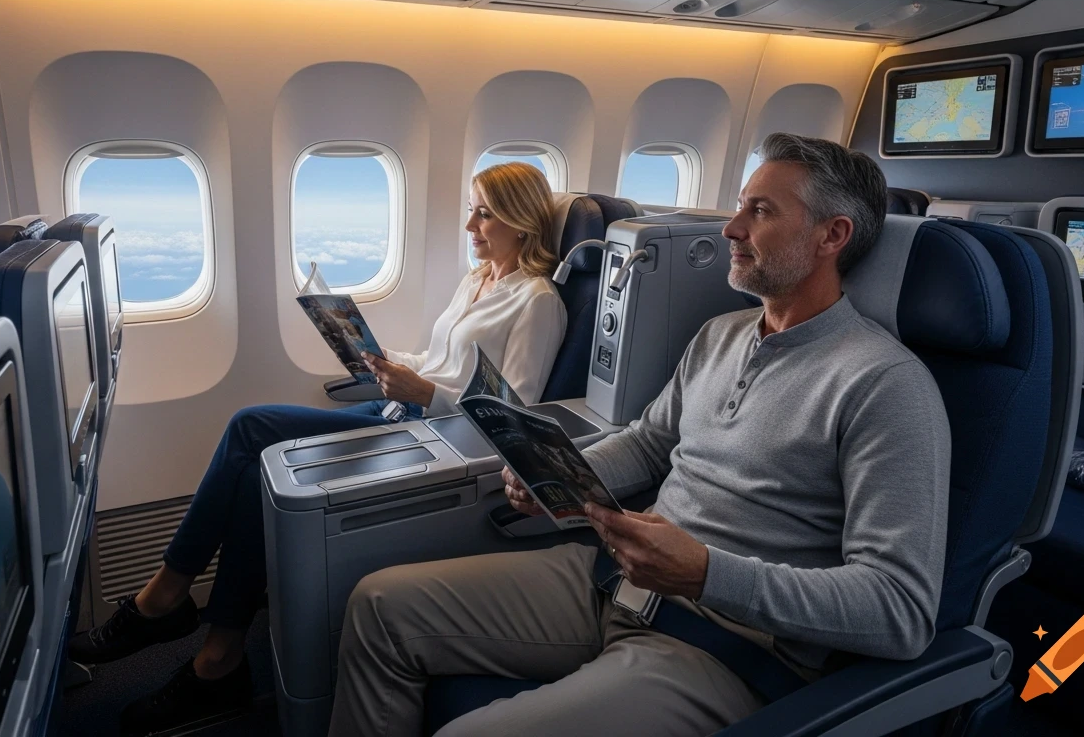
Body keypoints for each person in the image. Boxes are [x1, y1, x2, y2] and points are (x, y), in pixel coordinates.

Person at [327, 133, 952, 737]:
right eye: (739, 205)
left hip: (721, 642)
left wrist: (707, 573)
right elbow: (653, 442)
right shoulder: (723, 334)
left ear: (831, 236)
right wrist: (557, 472)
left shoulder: (886, 384)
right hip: (614, 577)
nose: (732, 228)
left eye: (760, 211)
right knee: (380, 605)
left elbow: (898, 610)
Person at [68, 162, 568, 735]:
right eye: (472, 208)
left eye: (483, 211)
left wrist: (426, 394)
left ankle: (166, 602)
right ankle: (214, 655)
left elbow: (516, 414)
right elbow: (443, 359)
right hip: (401, 409)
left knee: (251, 428)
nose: (469, 225)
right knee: (261, 465)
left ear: (519, 219)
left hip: (437, 435)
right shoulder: (476, 279)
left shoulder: (538, 301)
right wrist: (378, 357)